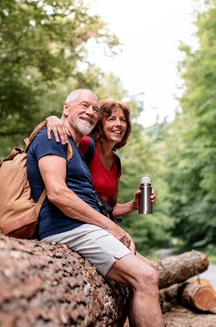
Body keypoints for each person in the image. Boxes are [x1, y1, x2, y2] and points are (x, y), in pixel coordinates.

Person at [27, 89, 163, 327]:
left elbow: (105, 205)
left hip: (85, 225)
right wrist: (50, 119)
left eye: (94, 109)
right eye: (84, 106)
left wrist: (131, 207)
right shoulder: (55, 136)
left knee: (150, 270)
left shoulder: (75, 144)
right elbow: (58, 193)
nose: (90, 112)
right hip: (68, 226)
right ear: (66, 108)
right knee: (146, 276)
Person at [45, 98, 155, 222]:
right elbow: (60, 141)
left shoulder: (116, 163)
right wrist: (52, 119)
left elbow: (108, 208)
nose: (119, 124)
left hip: (99, 223)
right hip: (71, 220)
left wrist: (134, 205)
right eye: (111, 119)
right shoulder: (86, 144)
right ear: (99, 124)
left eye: (122, 120)